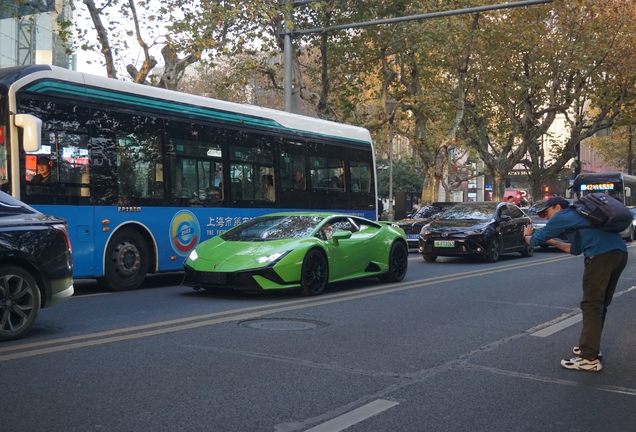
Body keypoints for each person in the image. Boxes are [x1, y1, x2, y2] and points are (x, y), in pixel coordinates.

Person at [523, 196, 628, 372]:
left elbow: (535, 241)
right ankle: (590, 346)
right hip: (619, 254)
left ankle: (589, 358)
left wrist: (527, 235)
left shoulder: (564, 214)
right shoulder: (583, 218)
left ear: (557, 207)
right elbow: (575, 249)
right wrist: (553, 241)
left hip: (600, 257)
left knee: (591, 305)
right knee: (599, 304)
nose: (547, 217)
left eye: (547, 212)